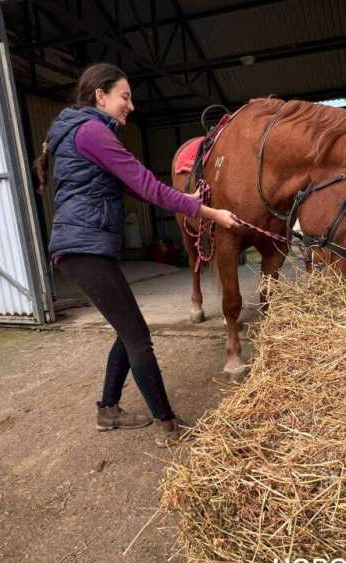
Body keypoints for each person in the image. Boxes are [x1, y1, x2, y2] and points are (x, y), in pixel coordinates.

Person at [33, 63, 237, 447]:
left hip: (83, 247)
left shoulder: (81, 131)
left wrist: (188, 200)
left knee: (127, 331)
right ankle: (168, 426)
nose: (131, 105)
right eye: (124, 97)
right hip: (83, 248)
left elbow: (135, 187)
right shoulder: (92, 131)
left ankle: (108, 410)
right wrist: (210, 213)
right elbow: (146, 185)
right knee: (138, 337)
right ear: (100, 96)